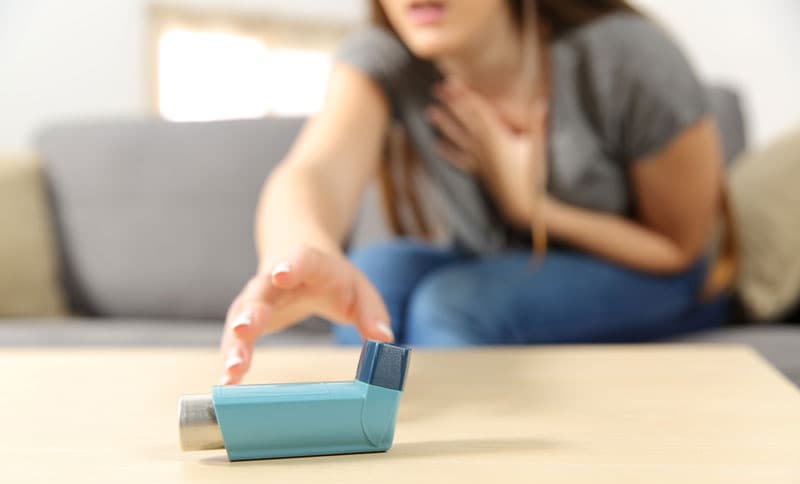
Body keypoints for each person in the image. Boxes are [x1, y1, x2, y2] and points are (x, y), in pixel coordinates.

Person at [218, 0, 734, 385]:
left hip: (664, 274)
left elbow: (680, 249)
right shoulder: (387, 57)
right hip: (500, 265)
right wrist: (299, 255)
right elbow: (315, 171)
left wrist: (533, 208)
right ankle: (373, 438)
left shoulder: (626, 56)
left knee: (451, 305)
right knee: (373, 277)